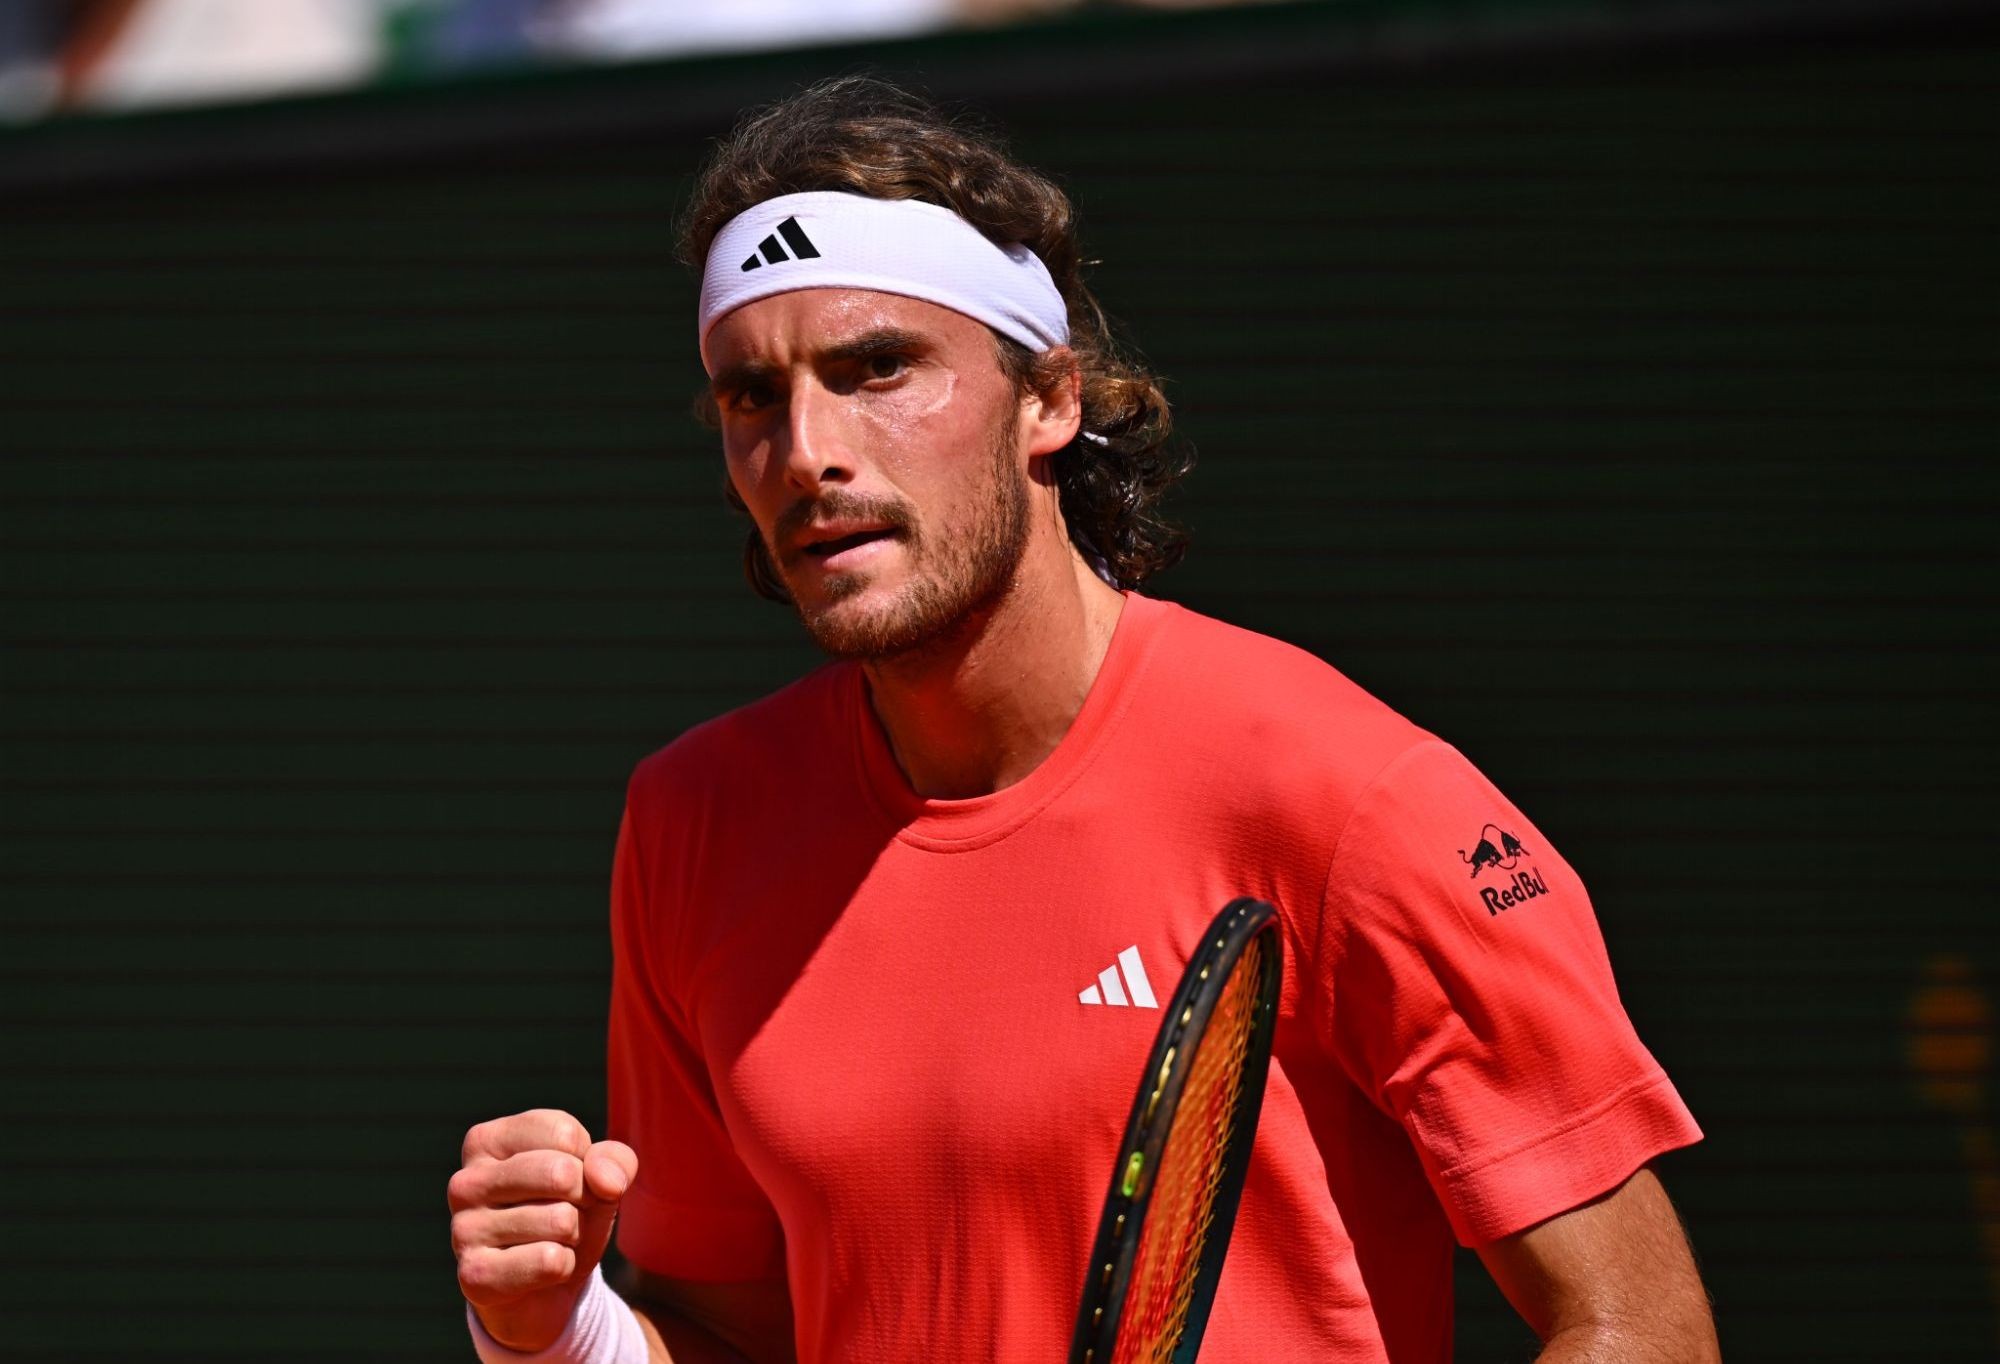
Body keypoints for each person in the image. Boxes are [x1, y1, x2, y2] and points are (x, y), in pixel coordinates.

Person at [446, 76, 1719, 1364]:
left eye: (878, 367)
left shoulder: (1346, 788)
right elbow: (730, 1335)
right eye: (750, 397)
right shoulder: (692, 824)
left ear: (1047, 402)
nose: (808, 450)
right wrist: (552, 1337)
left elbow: (1644, 1327)